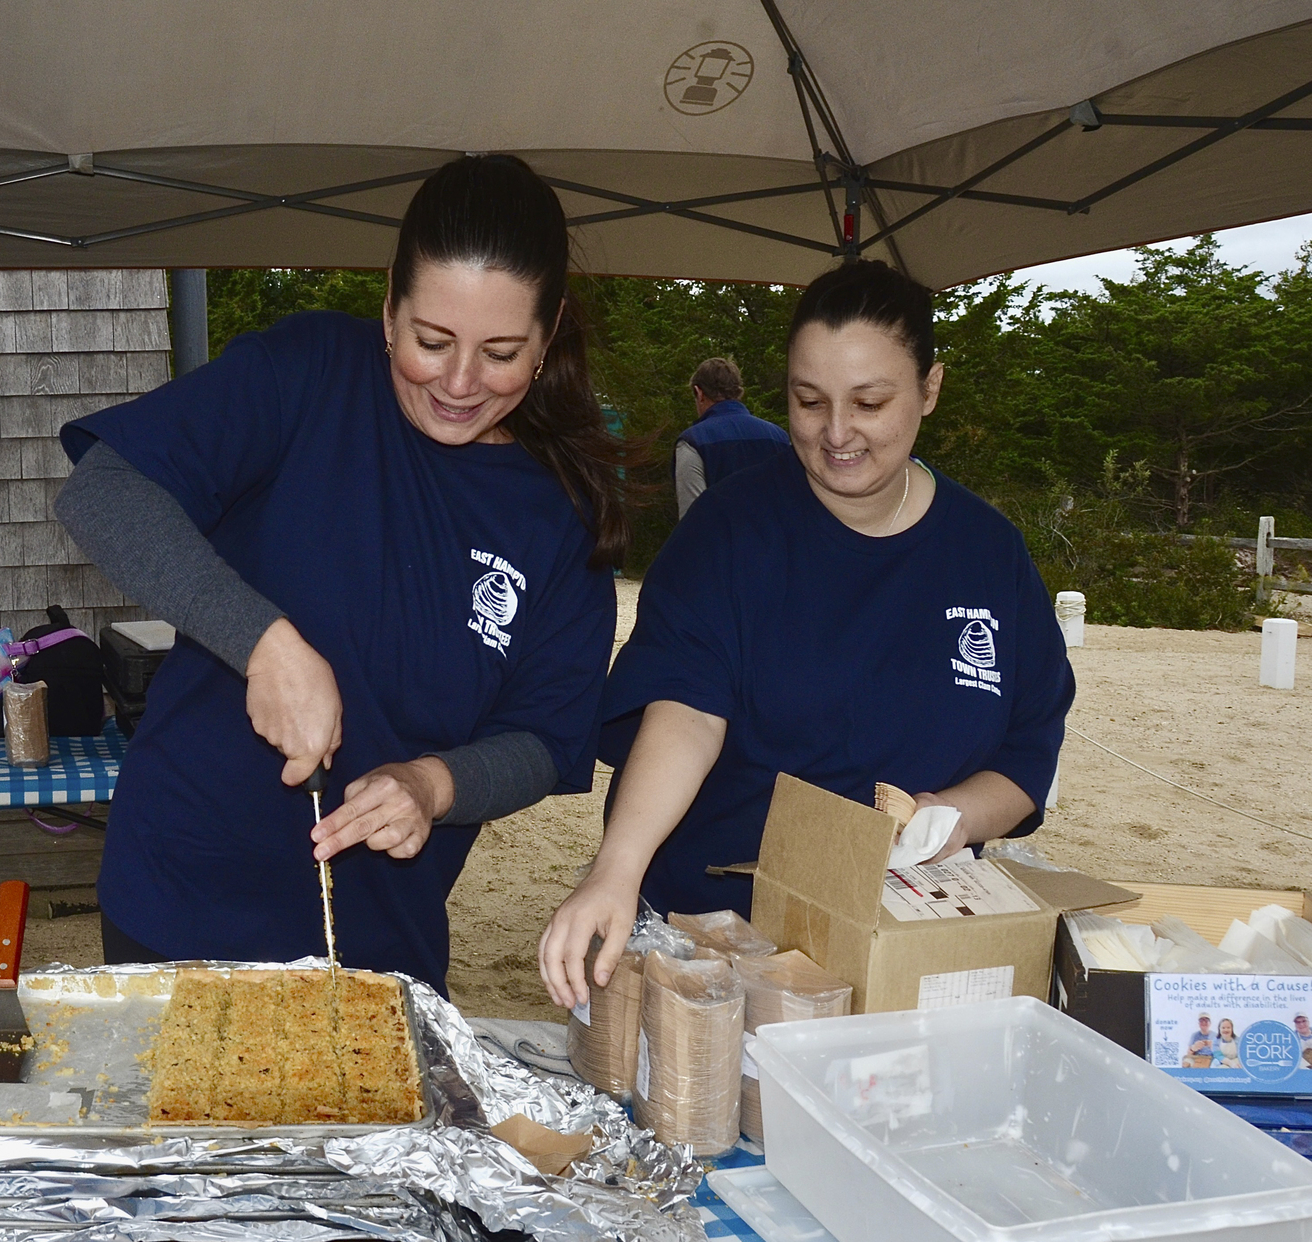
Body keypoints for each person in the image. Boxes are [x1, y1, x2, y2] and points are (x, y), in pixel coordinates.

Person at [53, 155, 623, 993]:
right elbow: (104, 491)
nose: (459, 384)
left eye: (500, 352)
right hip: (179, 898)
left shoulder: (559, 517)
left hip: (376, 939)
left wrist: (432, 783)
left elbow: (544, 739)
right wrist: (264, 644)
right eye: (432, 341)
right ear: (391, 303)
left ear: (548, 336)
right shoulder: (308, 371)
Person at [539, 260, 1075, 1009]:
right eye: (809, 399)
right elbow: (686, 708)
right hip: (721, 940)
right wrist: (617, 867)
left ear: (930, 388)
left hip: (907, 940)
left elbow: (1026, 755)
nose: (836, 432)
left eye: (870, 401)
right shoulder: (730, 531)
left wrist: (944, 821)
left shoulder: (989, 555)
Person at [674, 357, 790, 518]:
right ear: (738, 392)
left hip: (722, 541)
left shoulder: (693, 442)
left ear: (699, 393)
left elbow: (692, 520)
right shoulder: (780, 438)